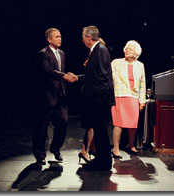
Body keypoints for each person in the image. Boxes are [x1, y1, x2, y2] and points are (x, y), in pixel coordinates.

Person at [32, 28, 77, 165]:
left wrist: (66, 75)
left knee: (63, 123)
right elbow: (48, 71)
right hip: (46, 96)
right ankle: (40, 154)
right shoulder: (43, 54)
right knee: (42, 127)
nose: (60, 39)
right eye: (57, 37)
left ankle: (55, 148)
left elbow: (60, 72)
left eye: (60, 36)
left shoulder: (62, 53)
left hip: (60, 95)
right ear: (49, 39)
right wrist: (64, 76)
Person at [74, 25, 115, 171]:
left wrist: (97, 99)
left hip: (99, 100)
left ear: (90, 37)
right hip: (97, 99)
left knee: (101, 131)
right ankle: (101, 160)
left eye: (83, 36)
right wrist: (77, 78)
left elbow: (103, 78)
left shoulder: (101, 50)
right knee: (99, 131)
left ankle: (104, 163)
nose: (82, 39)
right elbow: (93, 76)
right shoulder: (96, 51)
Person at [111, 40, 146, 158]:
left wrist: (142, 101)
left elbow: (142, 84)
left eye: (129, 49)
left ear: (136, 52)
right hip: (119, 95)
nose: (126, 50)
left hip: (133, 97)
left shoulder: (140, 65)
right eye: (126, 48)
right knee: (118, 123)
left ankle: (131, 145)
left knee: (132, 123)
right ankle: (115, 148)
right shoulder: (116, 63)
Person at [78, 37, 106, 164]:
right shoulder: (91, 58)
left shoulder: (100, 54)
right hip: (90, 95)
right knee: (92, 124)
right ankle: (86, 150)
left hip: (95, 95)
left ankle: (88, 150)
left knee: (93, 125)